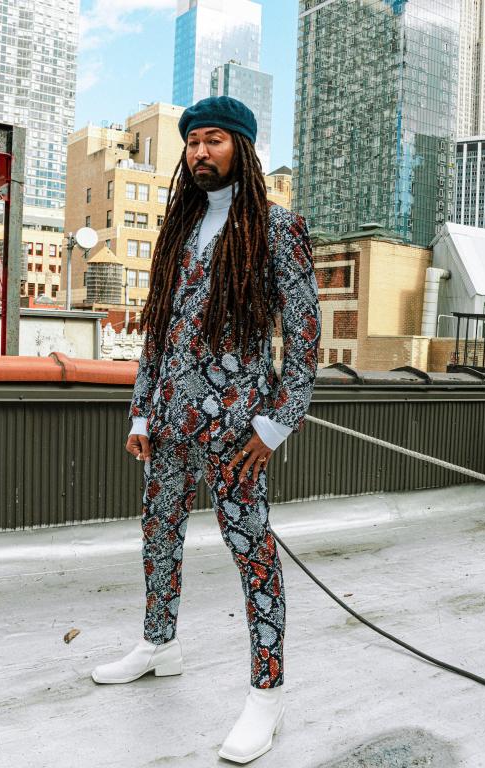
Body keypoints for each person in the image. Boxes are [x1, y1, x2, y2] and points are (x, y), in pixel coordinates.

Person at [90, 95, 320, 764]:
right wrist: (142, 409)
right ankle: (159, 644)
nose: (199, 153)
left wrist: (275, 424)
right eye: (192, 142)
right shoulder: (178, 230)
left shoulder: (278, 229)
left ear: (242, 149)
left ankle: (266, 694)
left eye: (213, 140)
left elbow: (304, 341)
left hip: (237, 430)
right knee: (158, 531)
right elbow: (158, 332)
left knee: (252, 551)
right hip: (168, 423)